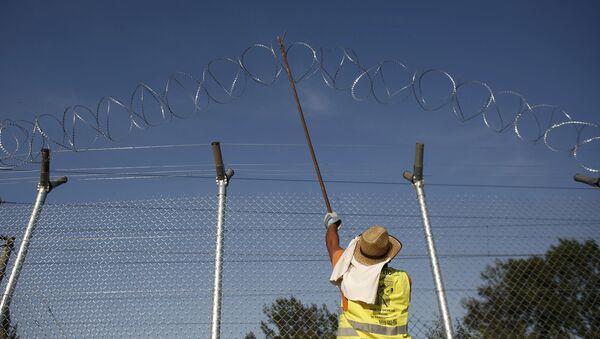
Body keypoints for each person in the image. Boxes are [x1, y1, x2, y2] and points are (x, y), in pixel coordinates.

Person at [325, 212, 412, 338]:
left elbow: (332, 244)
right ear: (389, 256)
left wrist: (332, 224)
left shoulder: (346, 271)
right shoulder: (405, 279)